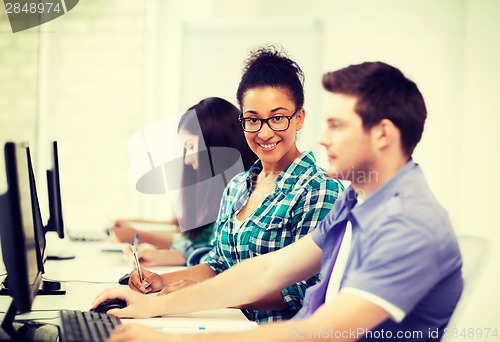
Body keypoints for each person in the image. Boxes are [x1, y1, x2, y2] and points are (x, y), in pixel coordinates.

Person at [93, 61, 463, 342]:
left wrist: (175, 339)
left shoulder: (408, 223)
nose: (322, 138)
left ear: (382, 134)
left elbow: (322, 333)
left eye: (336, 125)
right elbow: (267, 271)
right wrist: (153, 306)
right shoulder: (358, 200)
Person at [123, 46, 342, 323]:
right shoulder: (238, 186)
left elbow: (305, 291)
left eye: (277, 118)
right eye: (252, 119)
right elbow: (217, 265)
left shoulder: (319, 190)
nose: (264, 132)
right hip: (230, 324)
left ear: (299, 118)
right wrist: (160, 281)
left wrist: (204, 296)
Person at [117, 97, 258, 266]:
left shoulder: (245, 190)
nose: (187, 159)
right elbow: (203, 246)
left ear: (214, 144)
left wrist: (140, 236)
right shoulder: (223, 189)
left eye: (190, 146)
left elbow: (216, 256)